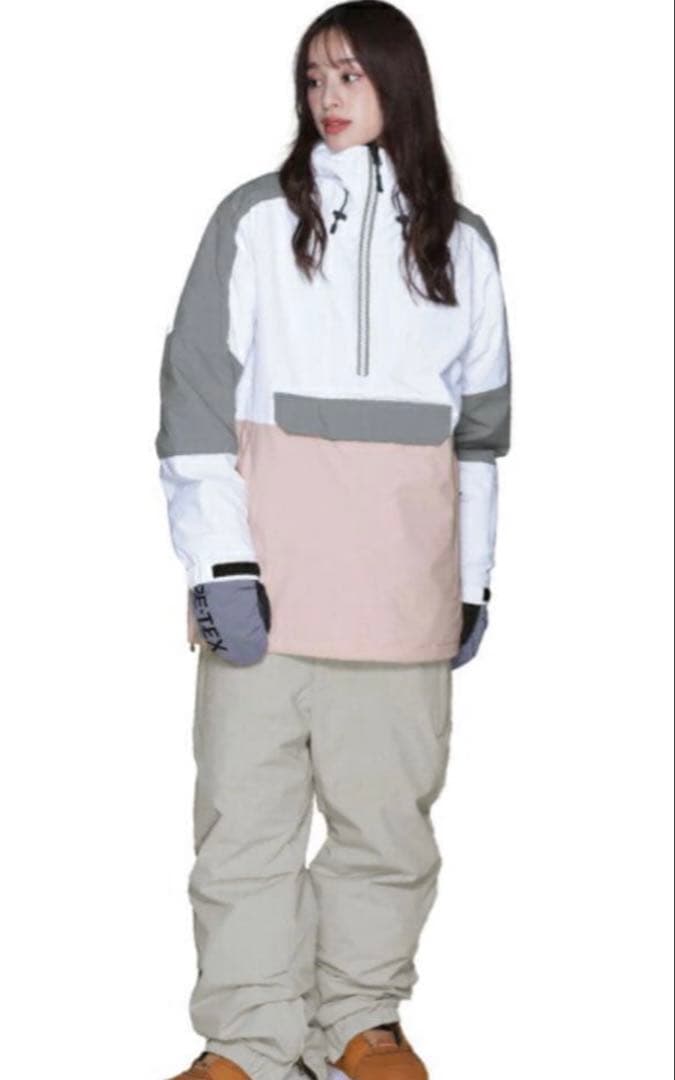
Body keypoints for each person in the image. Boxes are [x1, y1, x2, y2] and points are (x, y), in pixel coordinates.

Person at [154, 2, 512, 1077]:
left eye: (349, 75)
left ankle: (360, 1021)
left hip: (402, 587)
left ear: (400, 83)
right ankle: (247, 1041)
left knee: (386, 825)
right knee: (245, 823)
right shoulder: (256, 221)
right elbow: (194, 403)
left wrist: (473, 580)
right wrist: (220, 566)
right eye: (313, 78)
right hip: (268, 579)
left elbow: (481, 435)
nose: (327, 97)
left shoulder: (463, 246)